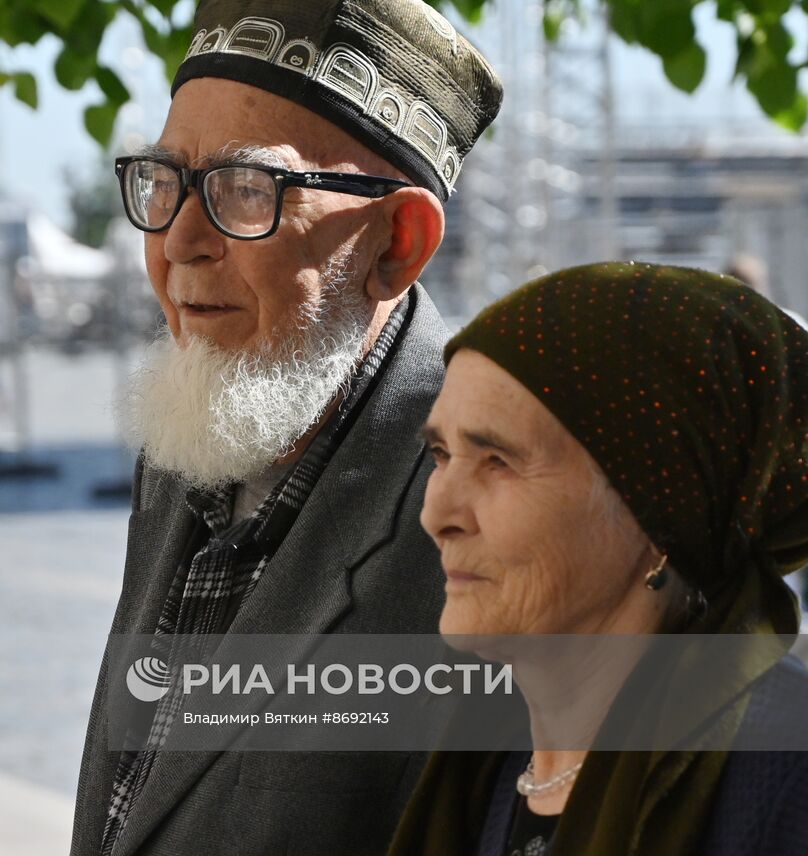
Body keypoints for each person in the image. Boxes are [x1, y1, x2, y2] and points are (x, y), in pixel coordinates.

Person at [70, 2, 504, 854]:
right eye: (163, 182)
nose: (180, 240)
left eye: (244, 191)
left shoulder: (492, 507)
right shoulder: (191, 438)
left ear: (397, 243)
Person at [388, 262, 808, 855]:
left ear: (659, 515)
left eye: (498, 461)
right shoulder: (488, 772)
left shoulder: (781, 772)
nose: (439, 514)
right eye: (440, 455)